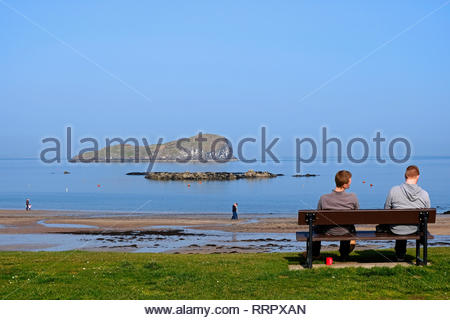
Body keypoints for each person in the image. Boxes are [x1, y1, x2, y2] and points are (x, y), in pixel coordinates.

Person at [383, 165, 430, 261]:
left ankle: (400, 255)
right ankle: (410, 256)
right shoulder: (424, 194)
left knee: (399, 224)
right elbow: (427, 214)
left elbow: (386, 210)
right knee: (408, 224)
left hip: (395, 228)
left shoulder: (394, 190)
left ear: (405, 176)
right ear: (418, 176)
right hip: (414, 228)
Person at [312, 170, 359, 259]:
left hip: (327, 231)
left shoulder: (324, 198)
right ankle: (344, 253)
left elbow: (318, 217)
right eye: (350, 181)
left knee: (315, 228)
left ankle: (315, 254)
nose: (350, 183)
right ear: (344, 185)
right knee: (348, 226)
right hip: (345, 231)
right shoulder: (353, 197)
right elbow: (356, 215)